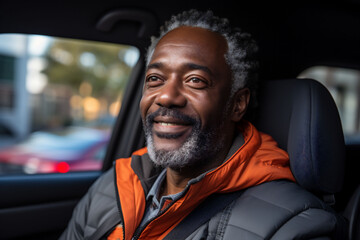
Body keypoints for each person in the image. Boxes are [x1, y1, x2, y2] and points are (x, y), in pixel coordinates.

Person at [60, 9, 343, 240]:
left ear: (237, 104)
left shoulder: (292, 226)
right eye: (155, 79)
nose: (167, 96)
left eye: (195, 80)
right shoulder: (114, 184)